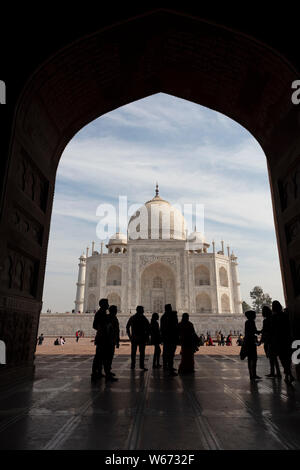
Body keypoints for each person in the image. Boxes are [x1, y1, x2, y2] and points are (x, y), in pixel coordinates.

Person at [91, 298, 117, 383]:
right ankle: (100, 373)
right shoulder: (100, 314)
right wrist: (102, 328)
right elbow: (95, 325)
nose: (108, 305)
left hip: (104, 338)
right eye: (107, 303)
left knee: (101, 357)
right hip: (102, 339)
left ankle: (99, 372)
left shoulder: (103, 313)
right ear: (103, 305)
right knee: (101, 357)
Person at [271, 301, 295, 384]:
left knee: (282, 358)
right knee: (288, 358)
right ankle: (289, 374)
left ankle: (288, 374)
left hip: (279, 340)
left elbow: (272, 330)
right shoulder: (285, 315)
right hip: (287, 339)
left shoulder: (273, 317)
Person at [126, 306, 150, 370]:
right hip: (141, 338)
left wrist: (130, 336)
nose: (143, 311)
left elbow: (127, 327)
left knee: (133, 353)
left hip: (134, 337)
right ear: (140, 310)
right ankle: (141, 366)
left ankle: (133, 365)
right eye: (142, 310)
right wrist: (147, 336)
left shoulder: (133, 317)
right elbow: (148, 328)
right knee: (142, 353)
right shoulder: (143, 318)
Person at [260, 305, 281, 378]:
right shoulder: (273, 318)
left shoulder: (266, 320)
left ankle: (275, 373)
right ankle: (276, 372)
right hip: (274, 339)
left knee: (272, 357)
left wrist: (260, 341)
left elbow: (265, 331)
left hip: (269, 341)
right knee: (274, 358)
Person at [242, 310, 261, 381]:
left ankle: (251, 375)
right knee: (254, 358)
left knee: (250, 359)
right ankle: (254, 374)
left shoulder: (247, 322)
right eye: (254, 315)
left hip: (248, 342)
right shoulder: (251, 322)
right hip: (251, 342)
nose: (255, 316)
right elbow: (254, 331)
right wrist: (262, 331)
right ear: (251, 316)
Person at [161, 305, 180, 376]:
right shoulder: (170, 317)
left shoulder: (163, 317)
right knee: (170, 354)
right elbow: (175, 327)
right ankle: (170, 369)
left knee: (166, 353)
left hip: (166, 338)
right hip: (171, 338)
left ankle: (166, 366)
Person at [108, 304, 120, 375]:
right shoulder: (108, 318)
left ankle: (108, 371)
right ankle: (106, 372)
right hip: (108, 340)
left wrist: (117, 341)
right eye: (115, 310)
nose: (116, 312)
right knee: (107, 357)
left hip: (112, 340)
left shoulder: (114, 318)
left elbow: (117, 331)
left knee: (110, 356)